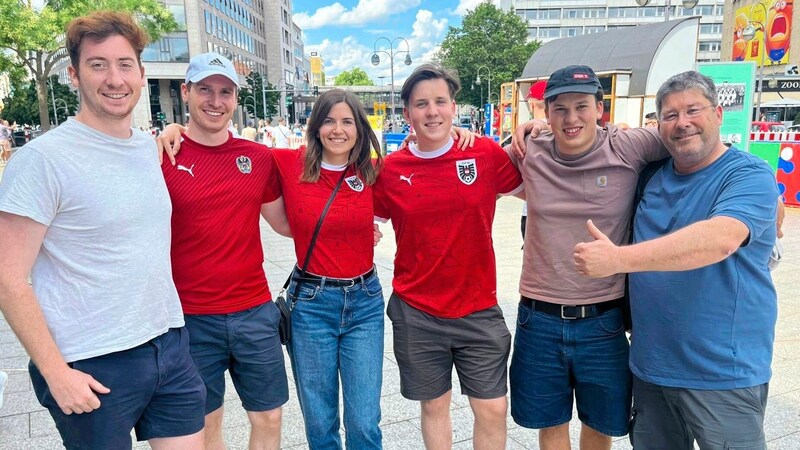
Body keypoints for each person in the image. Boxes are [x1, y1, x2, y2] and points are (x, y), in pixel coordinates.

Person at [0, 11, 206, 449]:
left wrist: (173, 130)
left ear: (141, 73)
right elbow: (7, 276)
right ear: (73, 75)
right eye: (98, 65)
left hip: (167, 342)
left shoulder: (145, 148)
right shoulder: (41, 160)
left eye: (124, 64)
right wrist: (56, 374)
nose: (115, 79)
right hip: (91, 360)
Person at [574, 70, 779, 449]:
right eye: (670, 115)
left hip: (722, 374)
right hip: (652, 369)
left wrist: (618, 259)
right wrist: (537, 125)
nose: (682, 123)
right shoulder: (650, 176)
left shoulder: (747, 175)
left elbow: (720, 239)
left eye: (693, 110)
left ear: (719, 113)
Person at [508, 65, 669, 450]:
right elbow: (473, 162)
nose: (571, 118)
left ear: (600, 108)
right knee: (550, 423)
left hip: (603, 321)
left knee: (601, 424)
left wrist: (761, 186)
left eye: (581, 106)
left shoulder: (628, 145)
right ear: (546, 114)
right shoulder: (530, 150)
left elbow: (693, 142)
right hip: (538, 317)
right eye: (559, 109)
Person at [374, 63, 523, 450]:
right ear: (407, 113)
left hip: (478, 307)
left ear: (454, 108)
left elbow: (538, 187)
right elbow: (363, 217)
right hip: (417, 310)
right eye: (421, 104)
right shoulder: (391, 170)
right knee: (434, 406)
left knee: (491, 408)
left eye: (440, 101)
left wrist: (533, 131)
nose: (432, 111)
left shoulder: (483, 153)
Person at [160, 52, 291, 450]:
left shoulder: (257, 157)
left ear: (236, 99)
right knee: (206, 422)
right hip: (191, 318)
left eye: (225, 92)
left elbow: (285, 223)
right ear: (186, 92)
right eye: (205, 90)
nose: (215, 101)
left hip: (254, 312)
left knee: (269, 416)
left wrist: (355, 224)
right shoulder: (161, 155)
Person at [272, 89, 386, 449]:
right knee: (320, 422)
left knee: (364, 421)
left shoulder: (373, 171)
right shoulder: (289, 164)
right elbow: (228, 150)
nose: (338, 130)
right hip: (310, 304)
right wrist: (174, 132)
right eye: (329, 120)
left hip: (364, 302)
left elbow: (431, 163)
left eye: (347, 121)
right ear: (316, 126)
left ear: (360, 128)